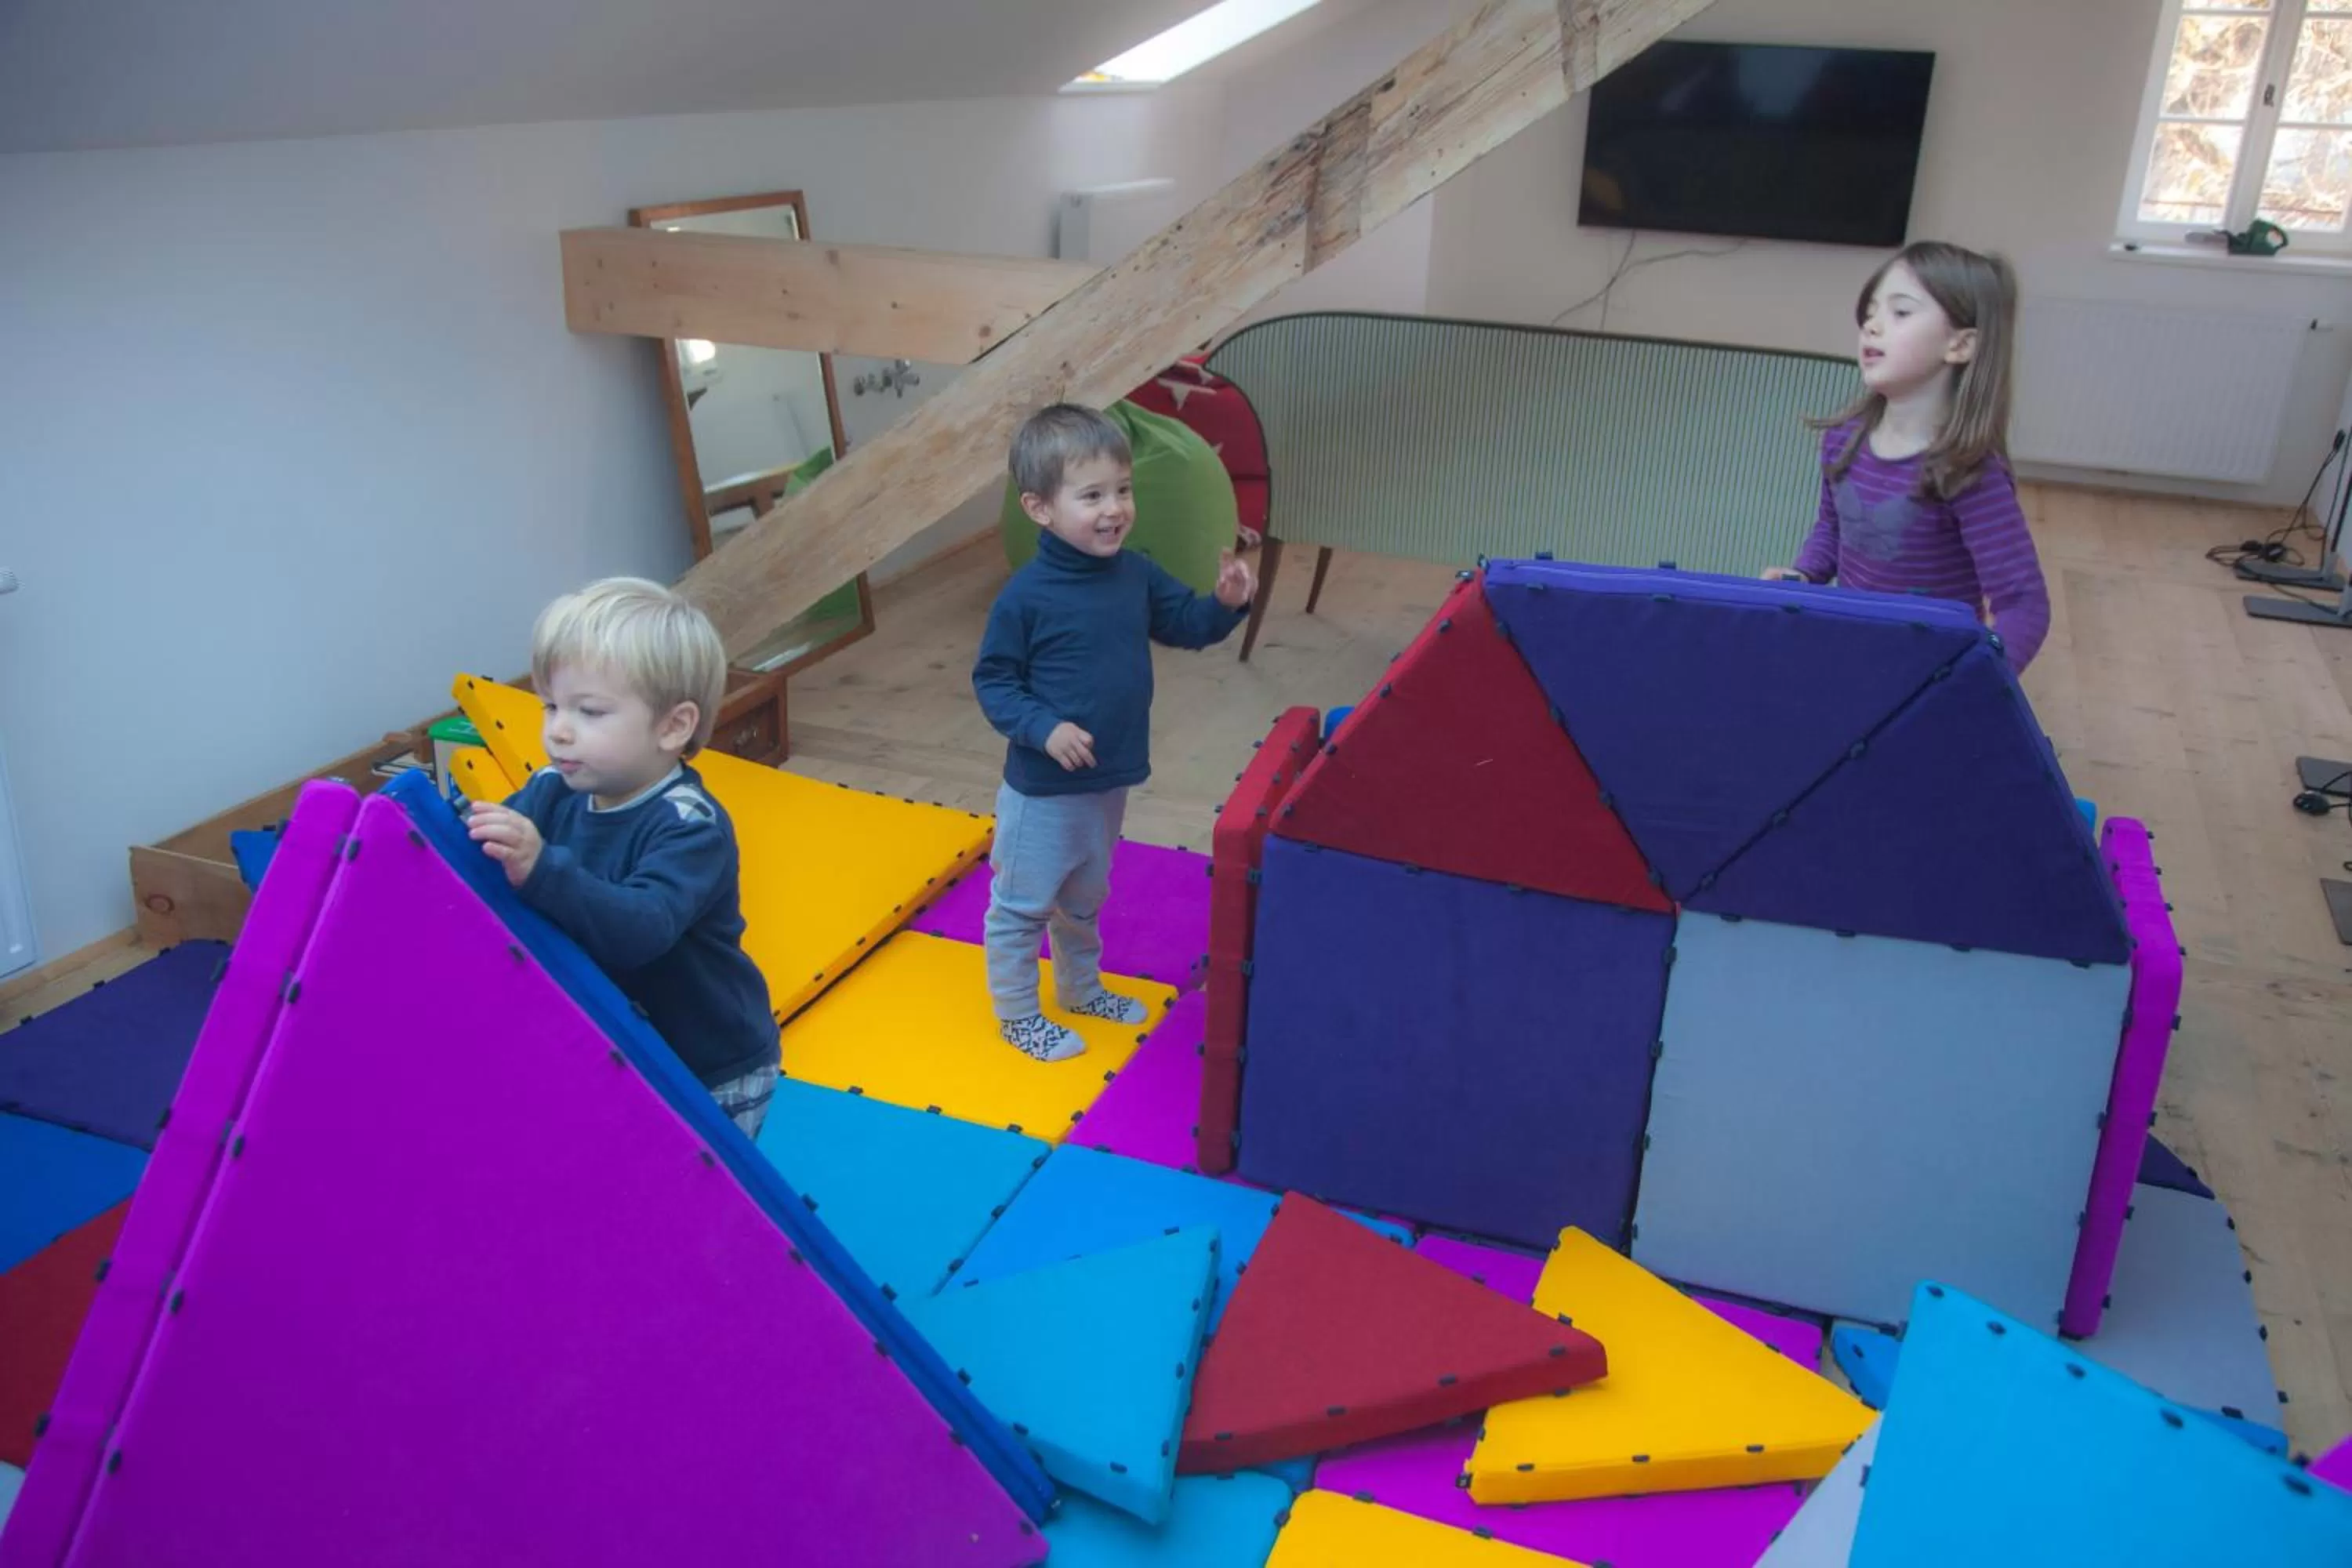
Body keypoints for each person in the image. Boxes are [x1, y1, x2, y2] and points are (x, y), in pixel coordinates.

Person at [974, 403, 1256, 1062]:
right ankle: (1018, 1015)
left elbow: (1186, 624)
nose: (1114, 509)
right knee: (1021, 907)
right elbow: (994, 682)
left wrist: (1225, 603)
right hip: (1042, 789)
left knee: (1085, 897)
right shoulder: (1025, 595)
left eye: (1122, 491)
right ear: (1041, 508)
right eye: (1092, 495)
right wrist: (1043, 729)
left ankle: (1079, 988)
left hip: (1110, 780)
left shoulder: (1136, 572)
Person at [466, 578, 779, 1134]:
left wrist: (541, 867)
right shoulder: (552, 789)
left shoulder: (690, 827)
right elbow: (485, 860)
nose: (558, 731)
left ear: (673, 726)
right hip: (618, 1040)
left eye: (589, 712)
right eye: (551, 706)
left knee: (697, 1195)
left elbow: (640, 930)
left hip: (708, 1063)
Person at [1766, 240, 2051, 671]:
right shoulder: (1843, 441)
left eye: (1900, 312)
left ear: (1960, 346)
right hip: (1852, 653)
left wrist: (1976, 684)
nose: (1872, 326)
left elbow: (2023, 603)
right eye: (1870, 313)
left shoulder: (1969, 472)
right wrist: (1804, 576)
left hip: (1925, 675)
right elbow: (1833, 527)